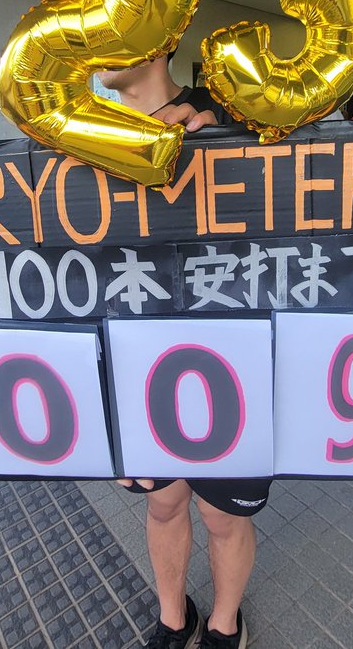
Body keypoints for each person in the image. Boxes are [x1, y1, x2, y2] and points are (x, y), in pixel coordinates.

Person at [99, 55, 255, 649]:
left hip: (229, 359)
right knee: (163, 504)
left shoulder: (219, 123)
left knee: (223, 513)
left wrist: (228, 139)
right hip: (138, 362)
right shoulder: (82, 136)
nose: (96, 43)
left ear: (158, 39)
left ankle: (225, 621)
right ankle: (172, 616)